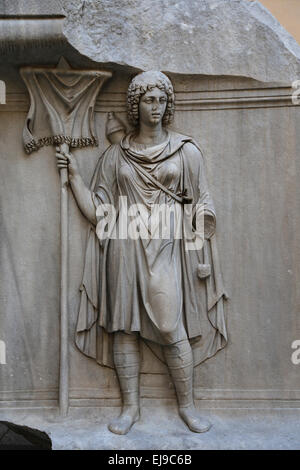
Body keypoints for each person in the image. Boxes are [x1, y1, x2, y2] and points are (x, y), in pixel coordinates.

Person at [56, 71, 227, 435]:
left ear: (168, 105)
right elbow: (98, 211)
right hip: (122, 244)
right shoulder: (115, 156)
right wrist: (74, 177)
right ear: (135, 106)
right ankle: (130, 408)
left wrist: (200, 237)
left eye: (161, 100)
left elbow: (202, 201)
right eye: (148, 100)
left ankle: (187, 406)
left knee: (169, 325)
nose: (156, 107)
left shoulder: (186, 151)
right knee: (123, 327)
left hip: (165, 245)